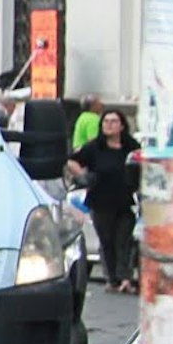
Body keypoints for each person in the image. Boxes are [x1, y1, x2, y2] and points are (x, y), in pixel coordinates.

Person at [71, 105, 144, 291]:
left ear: (122, 126)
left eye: (114, 122)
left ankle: (125, 278)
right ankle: (112, 279)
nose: (109, 125)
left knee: (124, 240)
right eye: (106, 121)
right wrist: (84, 176)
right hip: (100, 200)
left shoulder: (131, 146)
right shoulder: (95, 147)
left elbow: (142, 163)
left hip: (125, 200)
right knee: (107, 240)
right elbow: (72, 161)